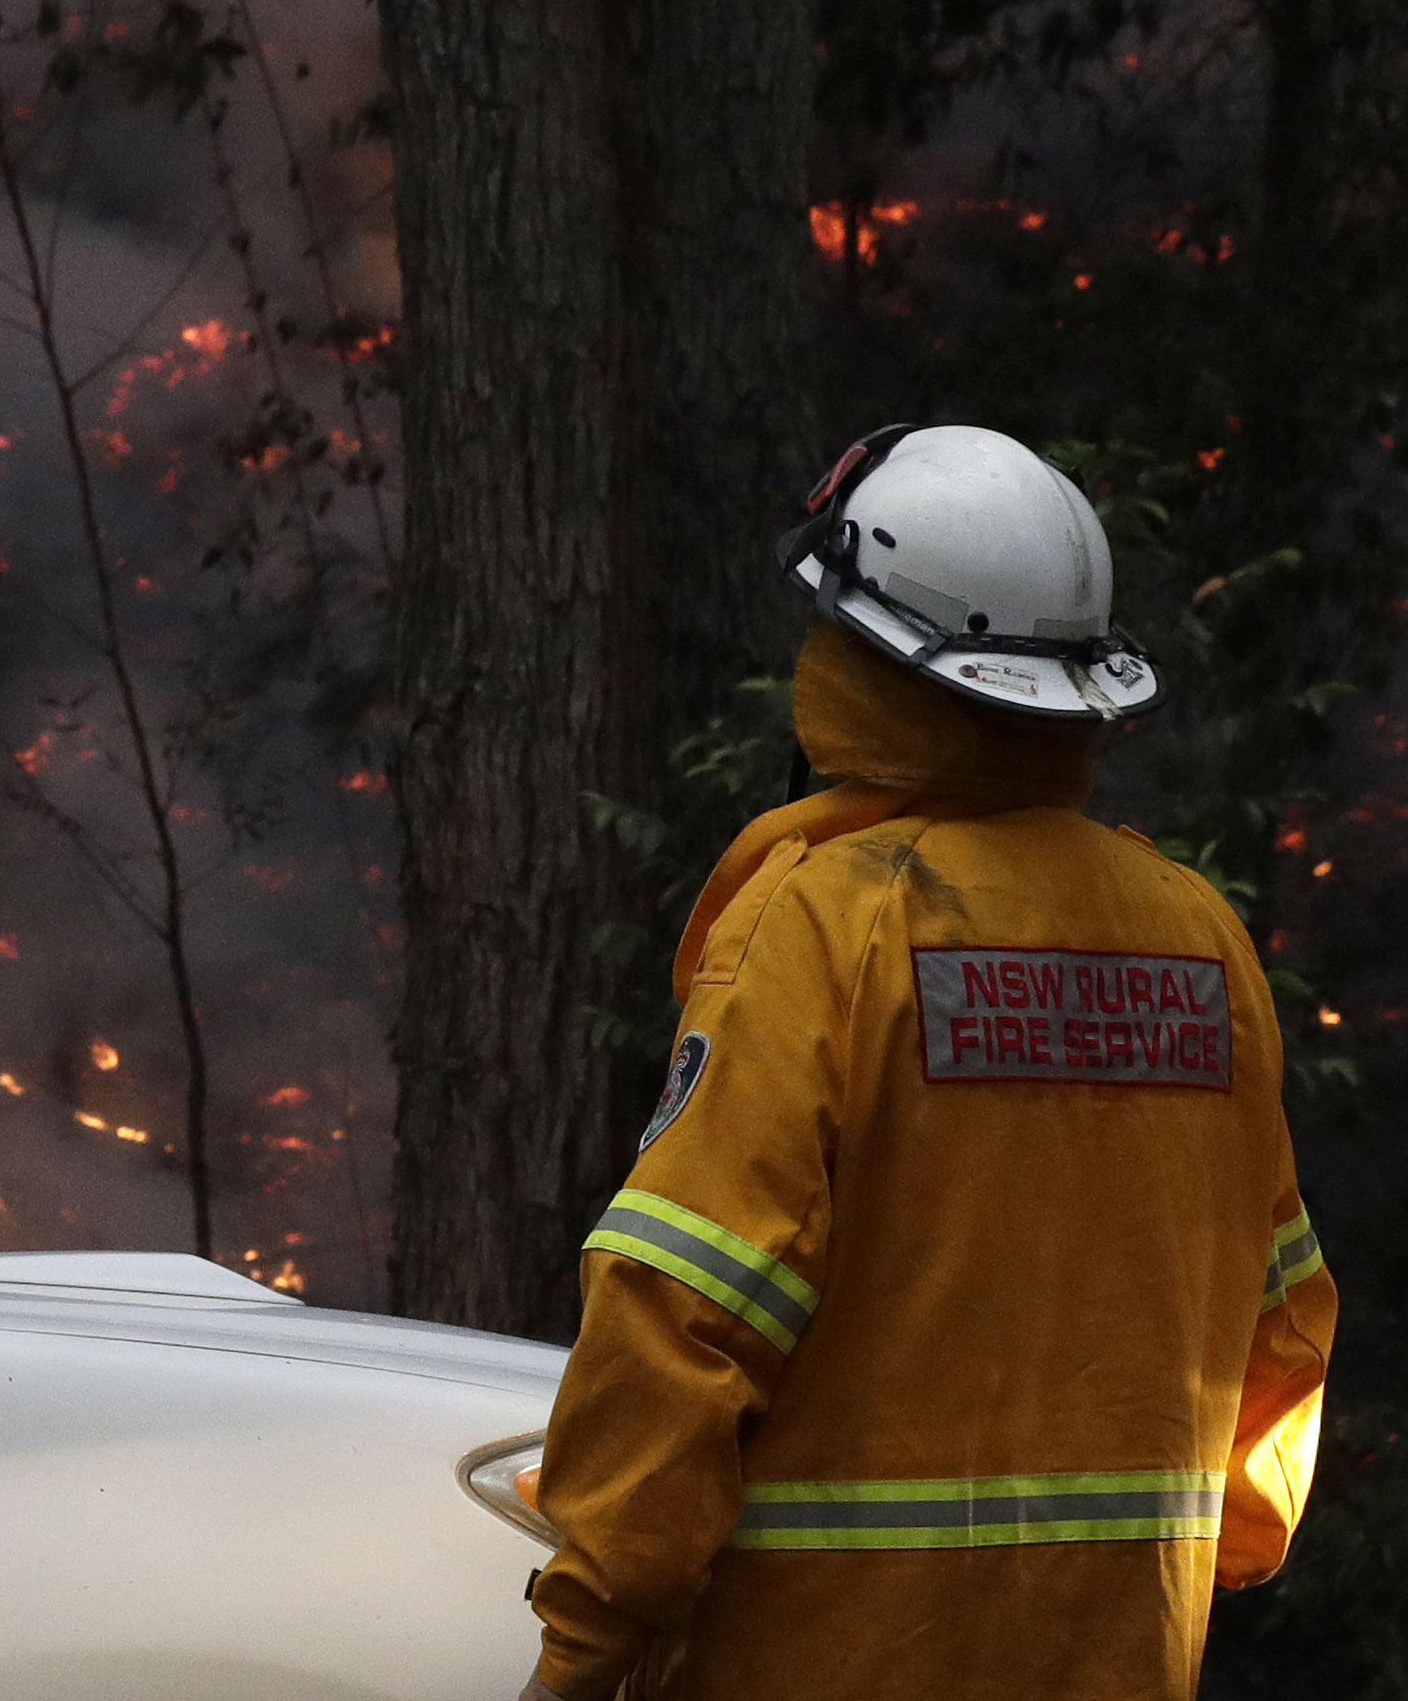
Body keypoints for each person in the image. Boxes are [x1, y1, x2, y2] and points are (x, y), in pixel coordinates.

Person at [521, 425, 1335, 1701]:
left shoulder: (829, 921)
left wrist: (590, 1626)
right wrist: (1208, 1544)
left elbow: (685, 1305)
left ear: (869, 664)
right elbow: (1282, 1314)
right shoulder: (1199, 937)